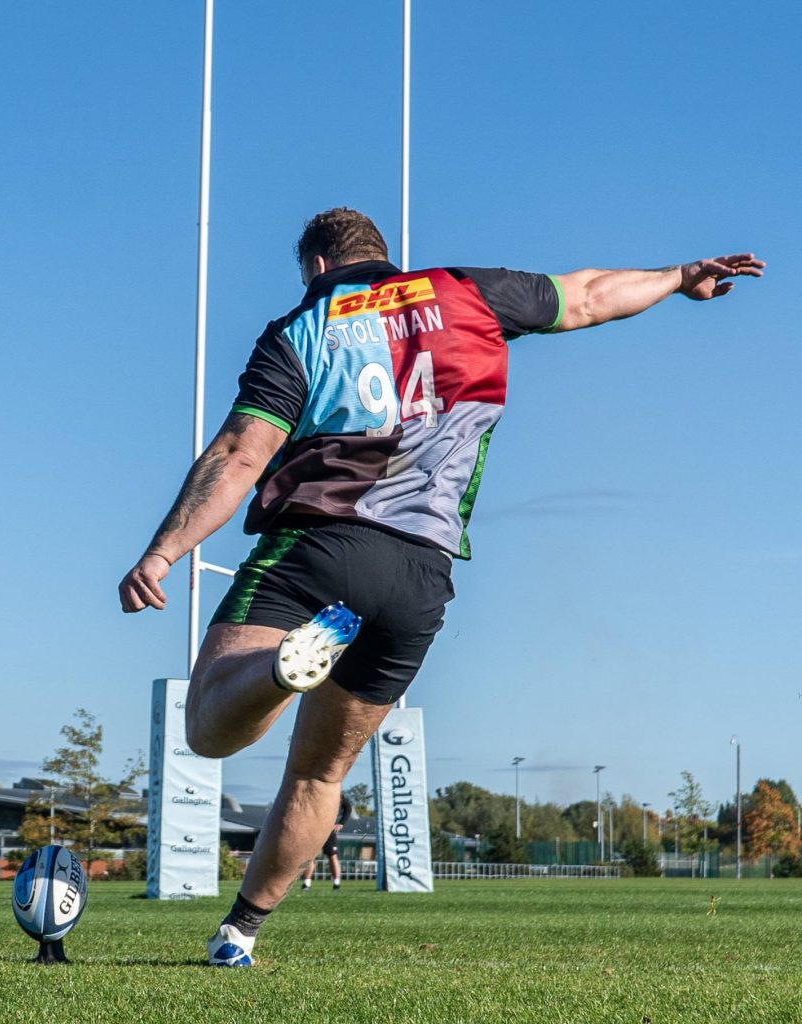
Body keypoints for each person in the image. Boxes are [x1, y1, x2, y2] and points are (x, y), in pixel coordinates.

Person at [119, 207, 763, 967]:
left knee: (211, 725)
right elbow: (589, 294)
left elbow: (238, 455)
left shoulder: (303, 327)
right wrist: (680, 277)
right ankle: (240, 933)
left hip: (320, 549)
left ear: (318, 267)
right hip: (421, 574)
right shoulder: (468, 292)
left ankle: (278, 665)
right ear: (385, 258)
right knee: (321, 771)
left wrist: (164, 551)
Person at [301, 789, 352, 891]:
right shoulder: (311, 792)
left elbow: (348, 808)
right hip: (313, 830)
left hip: (329, 830)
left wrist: (341, 822)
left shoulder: (334, 792)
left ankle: (336, 884)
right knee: (309, 857)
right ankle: (306, 883)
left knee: (333, 856)